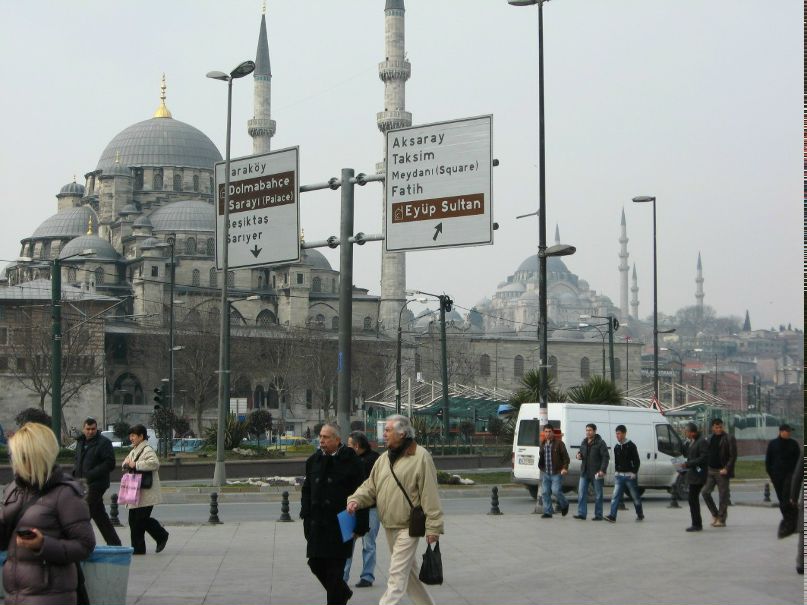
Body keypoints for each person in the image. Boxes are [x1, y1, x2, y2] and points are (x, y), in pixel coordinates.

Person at [347, 414, 443, 605]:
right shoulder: (383, 459)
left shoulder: (421, 457)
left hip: (409, 526)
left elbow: (430, 495)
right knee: (411, 575)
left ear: (402, 433)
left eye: (388, 430)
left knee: (397, 574)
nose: (384, 434)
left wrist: (434, 528)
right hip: (390, 525)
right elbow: (370, 486)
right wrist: (356, 499)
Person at [0, 422, 96, 604]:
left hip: (51, 596)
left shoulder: (65, 494)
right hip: (15, 595)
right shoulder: (13, 489)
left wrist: (42, 545)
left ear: (33, 456)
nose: (12, 461)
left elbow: (85, 545)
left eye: (16, 455)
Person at [301, 422, 366, 605]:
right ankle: (343, 592)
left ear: (337, 440)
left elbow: (362, 492)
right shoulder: (313, 460)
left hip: (340, 524)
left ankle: (338, 599)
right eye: (320, 436)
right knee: (315, 563)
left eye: (326, 437)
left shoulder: (351, 461)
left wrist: (361, 525)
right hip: (317, 524)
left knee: (334, 571)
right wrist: (306, 515)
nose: (322, 440)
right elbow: (307, 490)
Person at [72, 417, 122, 545]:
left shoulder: (103, 443)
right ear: (83, 429)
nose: (90, 432)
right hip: (82, 483)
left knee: (83, 513)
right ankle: (115, 543)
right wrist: (74, 476)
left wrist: (91, 474)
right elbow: (77, 461)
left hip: (97, 484)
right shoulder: (80, 442)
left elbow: (110, 463)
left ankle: (80, 543)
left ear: (96, 428)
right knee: (100, 515)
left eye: (93, 429)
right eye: (88, 429)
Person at [122, 424, 168, 555]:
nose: (131, 438)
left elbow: (154, 463)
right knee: (133, 521)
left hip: (146, 491)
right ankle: (138, 548)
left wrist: (136, 464)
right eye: (130, 435)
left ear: (141, 436)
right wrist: (126, 464)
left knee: (141, 520)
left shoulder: (147, 449)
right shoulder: (134, 449)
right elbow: (127, 461)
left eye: (133, 435)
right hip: (135, 490)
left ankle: (161, 535)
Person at [344, 431, 381, 588]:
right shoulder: (349, 459)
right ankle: (343, 576)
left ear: (357, 446)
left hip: (370, 508)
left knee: (368, 543)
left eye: (349, 444)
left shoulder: (374, 461)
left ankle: (366, 576)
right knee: (347, 543)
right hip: (351, 506)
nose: (347, 447)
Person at [701, 418, 737, 527]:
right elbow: (707, 453)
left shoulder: (728, 438)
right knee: (705, 492)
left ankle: (721, 519)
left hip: (722, 471)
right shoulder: (710, 438)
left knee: (723, 496)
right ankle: (715, 514)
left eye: (720, 427)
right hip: (711, 470)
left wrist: (727, 468)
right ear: (712, 428)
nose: (719, 429)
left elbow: (733, 455)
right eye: (716, 427)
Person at [765, 423, 800, 533]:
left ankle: (791, 520)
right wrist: (771, 474)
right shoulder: (773, 444)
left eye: (790, 431)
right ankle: (790, 519)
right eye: (787, 431)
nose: (789, 433)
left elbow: (799, 461)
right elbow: (768, 461)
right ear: (781, 432)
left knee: (787, 498)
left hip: (790, 475)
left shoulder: (793, 444)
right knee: (782, 499)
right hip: (777, 476)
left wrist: (797, 475)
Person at [605, 424, 644, 523]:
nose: (617, 436)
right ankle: (612, 516)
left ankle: (640, 514)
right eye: (616, 434)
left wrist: (634, 472)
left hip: (630, 476)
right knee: (615, 496)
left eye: (619, 433)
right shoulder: (617, 447)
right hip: (619, 476)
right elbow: (617, 461)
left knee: (635, 496)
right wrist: (616, 472)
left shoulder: (631, 445)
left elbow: (637, 461)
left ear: (624, 433)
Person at [573, 423, 610, 521]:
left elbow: (605, 457)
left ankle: (598, 515)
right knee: (581, 493)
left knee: (598, 494)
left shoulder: (600, 443)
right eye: (586, 430)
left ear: (594, 431)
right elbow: (580, 452)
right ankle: (582, 514)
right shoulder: (584, 441)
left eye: (590, 430)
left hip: (596, 472)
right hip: (584, 472)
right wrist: (578, 455)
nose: (588, 432)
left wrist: (602, 470)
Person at [680, 422, 709, 532]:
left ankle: (697, 524)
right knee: (692, 499)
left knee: (693, 499)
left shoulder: (701, 442)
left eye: (686, 431)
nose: (685, 433)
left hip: (699, 475)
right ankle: (696, 523)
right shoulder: (692, 442)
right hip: (692, 474)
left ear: (692, 432)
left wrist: (689, 464)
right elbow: (690, 456)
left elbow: (703, 458)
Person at [537, 424, 570, 518]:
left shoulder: (559, 443)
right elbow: (542, 457)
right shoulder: (543, 444)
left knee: (555, 491)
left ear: (553, 432)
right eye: (546, 432)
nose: (547, 433)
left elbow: (566, 458)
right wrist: (540, 466)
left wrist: (565, 468)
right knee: (545, 492)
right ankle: (548, 512)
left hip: (556, 472)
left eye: (549, 432)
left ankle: (565, 504)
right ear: (544, 433)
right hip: (546, 472)